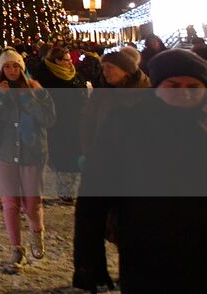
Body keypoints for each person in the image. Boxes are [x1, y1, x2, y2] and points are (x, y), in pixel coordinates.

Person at [73, 48, 207, 291]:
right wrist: (88, 260)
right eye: (173, 86)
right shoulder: (126, 124)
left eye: (194, 86)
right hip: (147, 252)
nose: (185, 94)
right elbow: (93, 196)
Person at [0, 48, 55, 268]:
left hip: (32, 152)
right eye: (7, 66)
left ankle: (37, 233)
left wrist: (28, 99)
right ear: (1, 69)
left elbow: (49, 119)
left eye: (15, 66)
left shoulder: (36, 90)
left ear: (22, 68)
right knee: (10, 202)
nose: (11, 70)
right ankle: (16, 248)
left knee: (32, 203)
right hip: (4, 151)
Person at [30, 44, 89, 200]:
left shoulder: (75, 75)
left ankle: (70, 189)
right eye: (66, 60)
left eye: (71, 60)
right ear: (56, 61)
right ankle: (65, 191)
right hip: (57, 124)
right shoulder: (45, 77)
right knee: (62, 157)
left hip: (77, 122)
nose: (70, 63)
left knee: (76, 155)